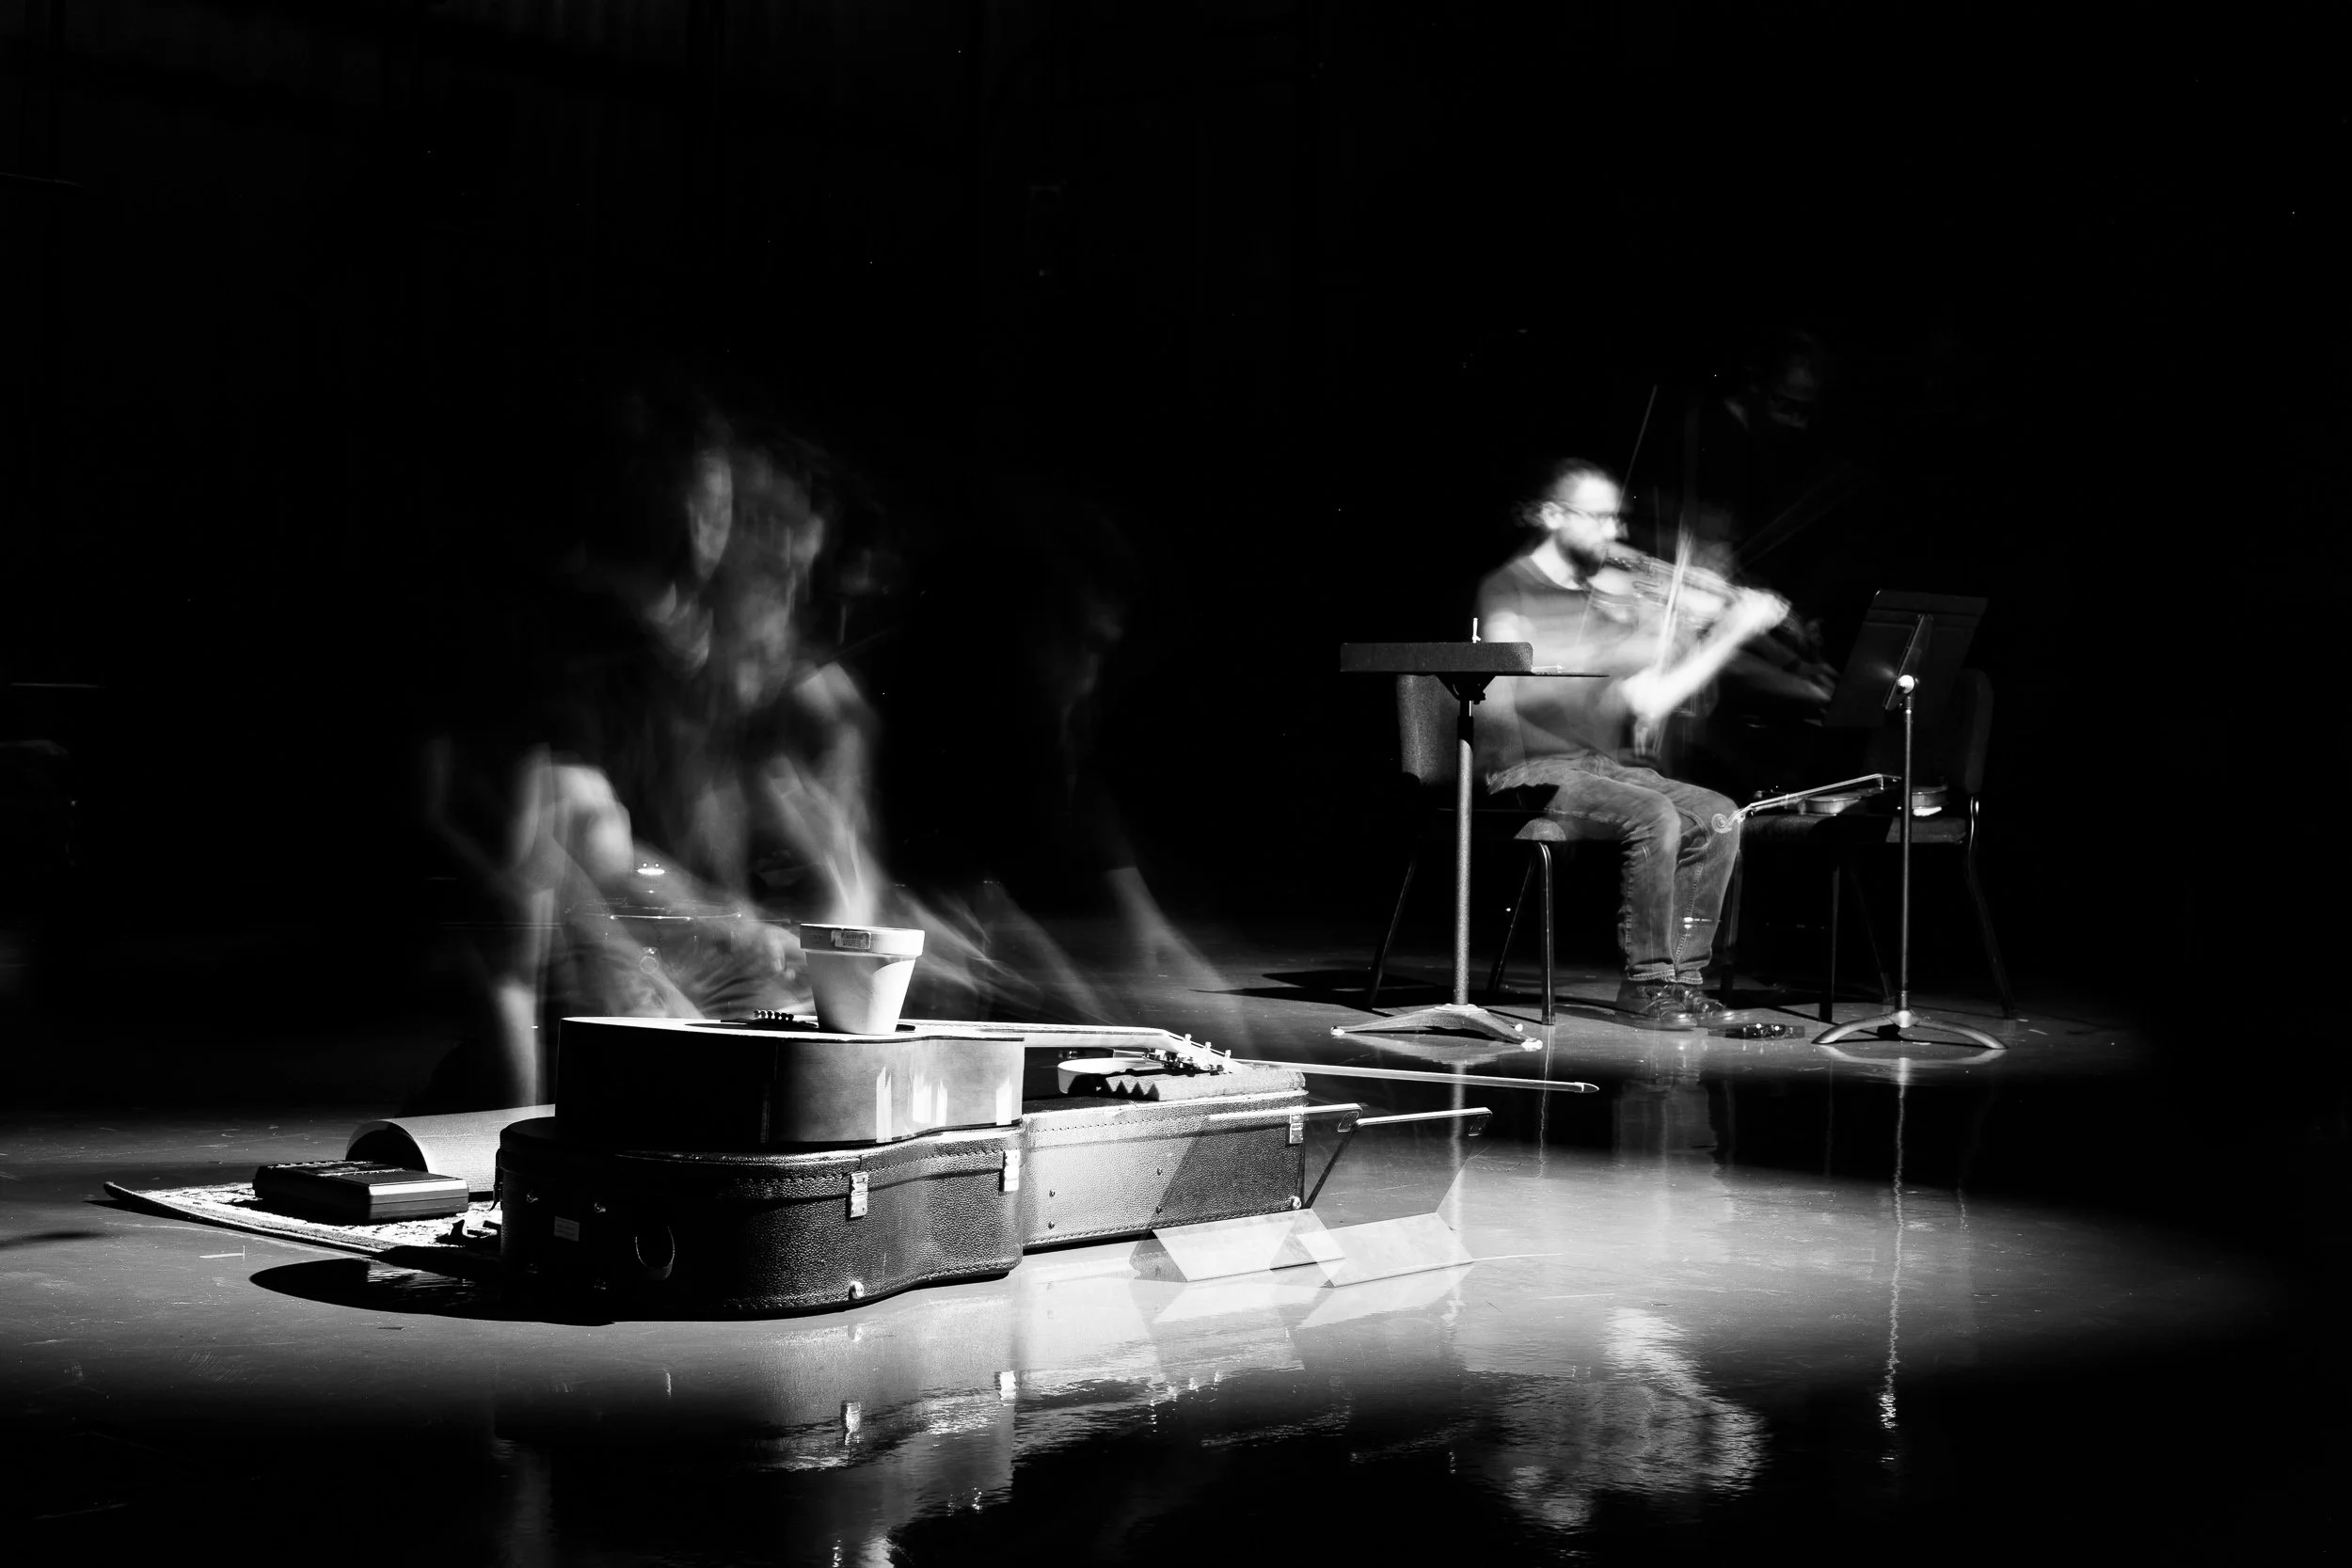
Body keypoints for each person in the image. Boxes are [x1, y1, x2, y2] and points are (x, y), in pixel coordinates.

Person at [1474, 458, 1794, 1030]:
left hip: (1596, 765)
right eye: (1598, 517)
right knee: (1654, 814)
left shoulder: (1598, 600)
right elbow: (1517, 674)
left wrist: (1726, 633)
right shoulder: (1508, 587)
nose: (1615, 531)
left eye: (1616, 518)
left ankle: (1682, 983)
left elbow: (1649, 699)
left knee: (1720, 815)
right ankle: (1646, 984)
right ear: (1553, 514)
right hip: (1525, 768)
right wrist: (1632, 638)